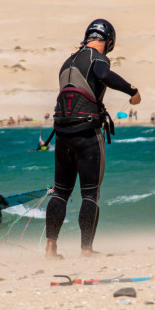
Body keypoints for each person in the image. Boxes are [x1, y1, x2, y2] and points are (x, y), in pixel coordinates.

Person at [44, 19, 141, 258]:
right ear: (108, 42)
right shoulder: (97, 58)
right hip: (86, 133)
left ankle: (50, 249)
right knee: (90, 193)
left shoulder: (68, 61)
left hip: (63, 134)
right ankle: (86, 249)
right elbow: (103, 74)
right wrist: (133, 91)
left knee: (60, 192)